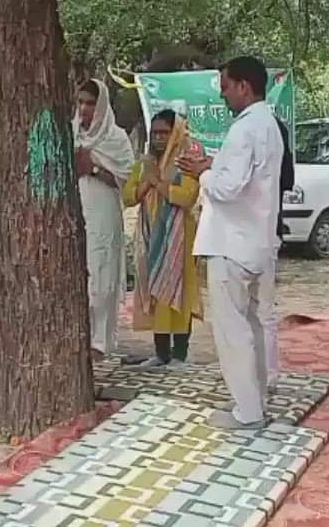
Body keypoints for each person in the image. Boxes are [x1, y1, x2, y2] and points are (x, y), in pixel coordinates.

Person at [177, 56, 283, 431]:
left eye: (225, 86)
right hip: (256, 240)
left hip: (232, 243)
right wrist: (211, 164)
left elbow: (226, 189)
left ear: (243, 86)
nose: (222, 95)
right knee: (253, 324)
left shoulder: (246, 129)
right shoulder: (267, 125)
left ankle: (247, 410)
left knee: (233, 329)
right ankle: (256, 399)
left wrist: (203, 172)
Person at [124, 109, 200, 369]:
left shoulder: (186, 162)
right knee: (154, 292)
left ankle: (179, 355)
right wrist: (148, 182)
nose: (158, 138)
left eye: (164, 133)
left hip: (180, 238)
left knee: (178, 293)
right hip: (150, 236)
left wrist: (159, 183)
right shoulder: (145, 163)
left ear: (175, 133)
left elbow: (187, 197)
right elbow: (128, 197)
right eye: (154, 133)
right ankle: (161, 353)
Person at [75, 79, 136, 359]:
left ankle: (101, 341)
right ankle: (80, 335)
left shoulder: (116, 137)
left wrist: (95, 168)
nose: (85, 109)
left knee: (102, 273)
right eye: (81, 102)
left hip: (104, 212)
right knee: (79, 273)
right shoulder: (72, 133)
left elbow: (127, 181)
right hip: (76, 210)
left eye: (90, 103)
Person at [259, 115, 295, 388]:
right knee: (257, 310)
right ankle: (262, 373)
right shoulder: (270, 127)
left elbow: (286, 180)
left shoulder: (268, 130)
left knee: (263, 309)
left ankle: (268, 374)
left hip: (264, 232)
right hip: (259, 232)